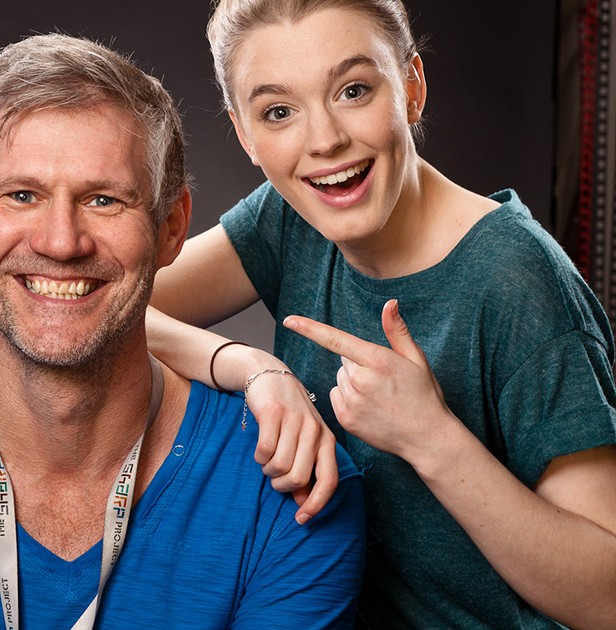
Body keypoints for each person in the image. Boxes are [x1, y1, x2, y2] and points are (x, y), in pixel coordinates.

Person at [0, 33, 367, 629]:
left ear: (172, 229)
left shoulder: (288, 492)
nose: (61, 242)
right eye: (22, 195)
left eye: (104, 200)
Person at [147, 1, 616, 627]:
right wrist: (251, 368)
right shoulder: (293, 216)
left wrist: (435, 441)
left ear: (412, 88)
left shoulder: (518, 282)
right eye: (279, 112)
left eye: (354, 90)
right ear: (244, 134)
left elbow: (604, 600)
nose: (324, 141)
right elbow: (113, 308)